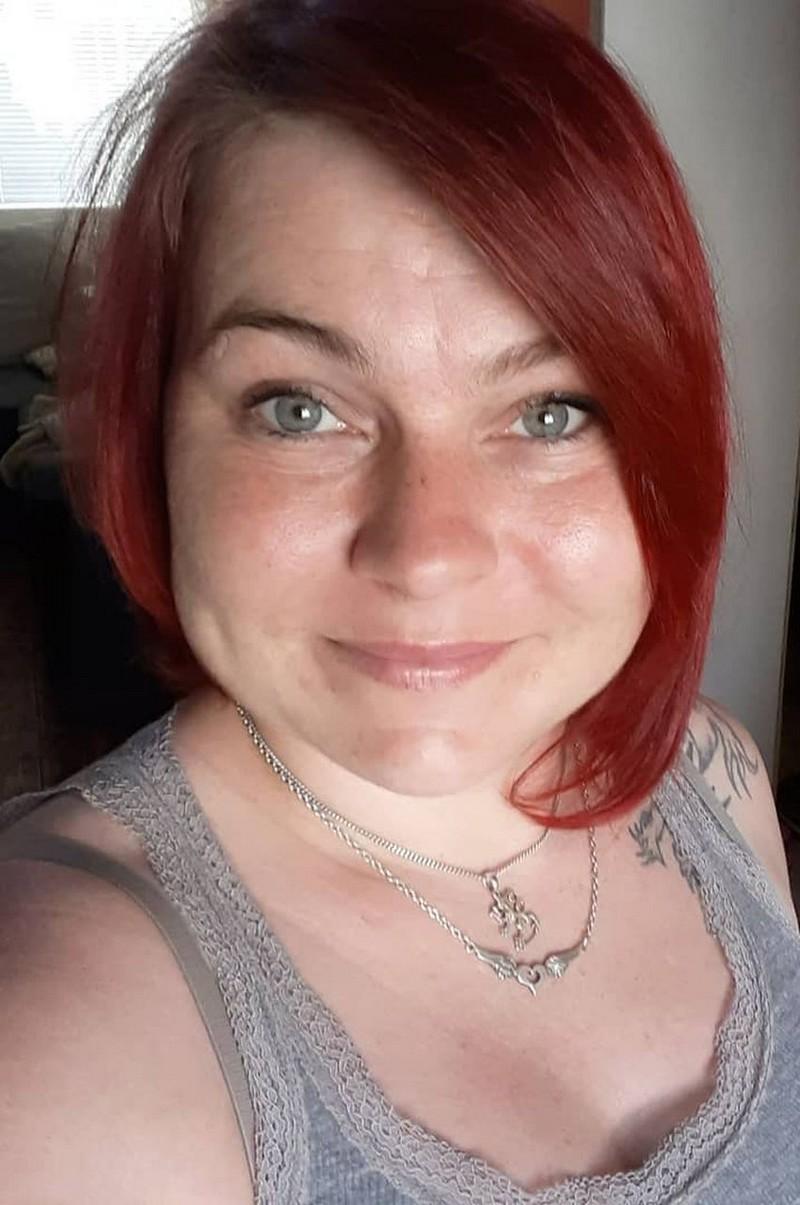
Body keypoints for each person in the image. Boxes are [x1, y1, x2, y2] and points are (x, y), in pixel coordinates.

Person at [1, 2, 798, 1201]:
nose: (425, 554)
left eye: (549, 411)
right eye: (298, 408)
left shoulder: (716, 780)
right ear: (150, 436)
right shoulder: (55, 1044)